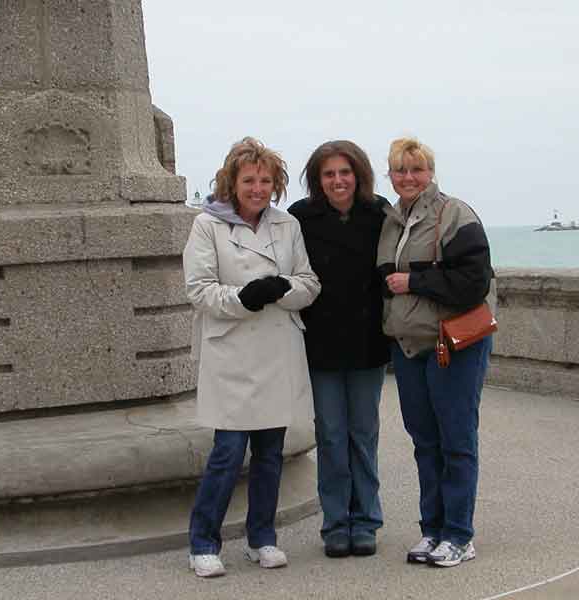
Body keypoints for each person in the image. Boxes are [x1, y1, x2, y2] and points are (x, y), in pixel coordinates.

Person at [182, 137, 320, 577]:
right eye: (249, 181)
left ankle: (262, 537)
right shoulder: (207, 225)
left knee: (270, 452)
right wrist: (246, 297)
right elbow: (199, 290)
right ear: (232, 182)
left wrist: (282, 290)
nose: (258, 189)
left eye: (265, 181)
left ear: (275, 184)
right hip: (232, 352)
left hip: (276, 349)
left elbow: (309, 282)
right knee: (227, 452)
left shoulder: (287, 225)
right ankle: (203, 542)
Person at [377, 137, 493, 568]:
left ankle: (459, 535)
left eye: (417, 169)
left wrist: (415, 281)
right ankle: (433, 530)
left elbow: (474, 281)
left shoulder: (455, 214)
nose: (408, 178)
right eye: (400, 170)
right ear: (390, 175)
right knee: (425, 441)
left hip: (453, 344)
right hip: (409, 347)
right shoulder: (391, 221)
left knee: (456, 440)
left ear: (430, 173)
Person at [288, 141, 390, 558]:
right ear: (318, 179)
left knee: (363, 435)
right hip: (321, 345)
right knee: (330, 436)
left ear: (358, 174)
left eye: (344, 172)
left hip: (368, 343)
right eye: (328, 174)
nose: (337, 181)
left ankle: (365, 521)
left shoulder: (379, 213)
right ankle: (335, 524)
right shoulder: (300, 217)